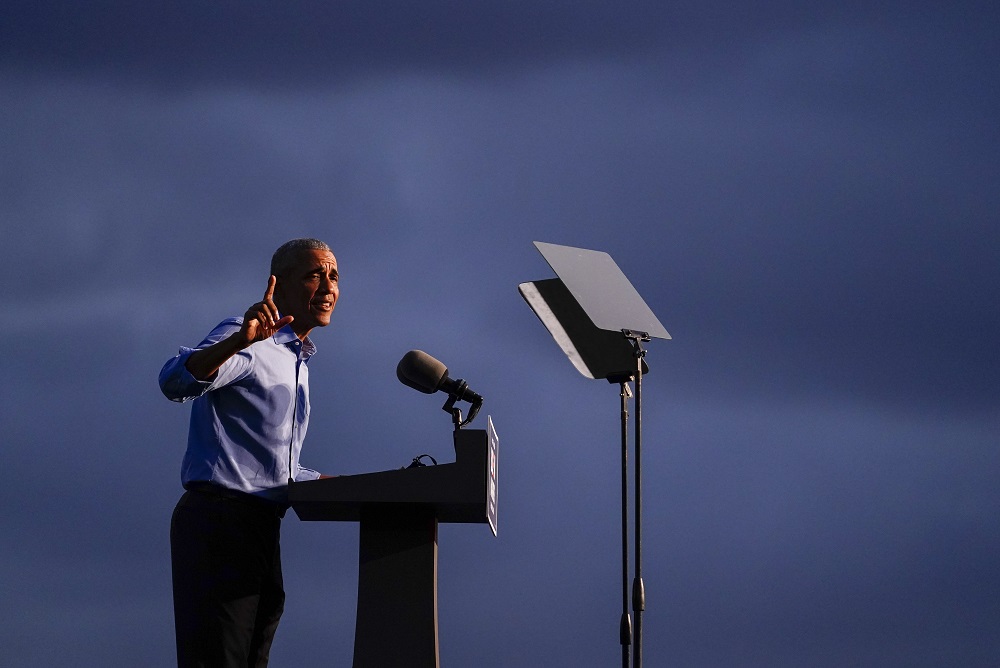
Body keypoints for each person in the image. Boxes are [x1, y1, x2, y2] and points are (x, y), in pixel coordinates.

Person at [158, 238, 339, 667]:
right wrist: (239, 341)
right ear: (280, 284)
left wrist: (356, 487)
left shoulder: (296, 360)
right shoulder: (251, 337)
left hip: (262, 528)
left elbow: (277, 468)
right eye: (314, 275)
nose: (328, 286)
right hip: (220, 522)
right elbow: (174, 381)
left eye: (334, 276)